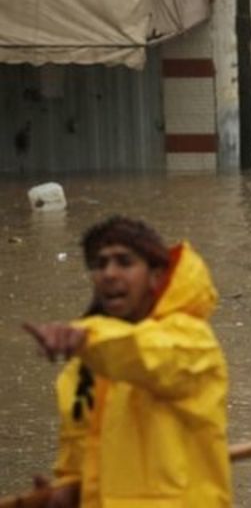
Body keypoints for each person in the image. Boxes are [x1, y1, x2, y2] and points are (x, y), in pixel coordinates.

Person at [22, 216, 231, 508]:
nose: (109, 273)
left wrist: (86, 340)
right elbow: (76, 458)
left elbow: (143, 356)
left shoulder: (193, 342)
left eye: (124, 261)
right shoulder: (84, 367)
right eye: (100, 264)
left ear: (156, 276)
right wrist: (64, 492)